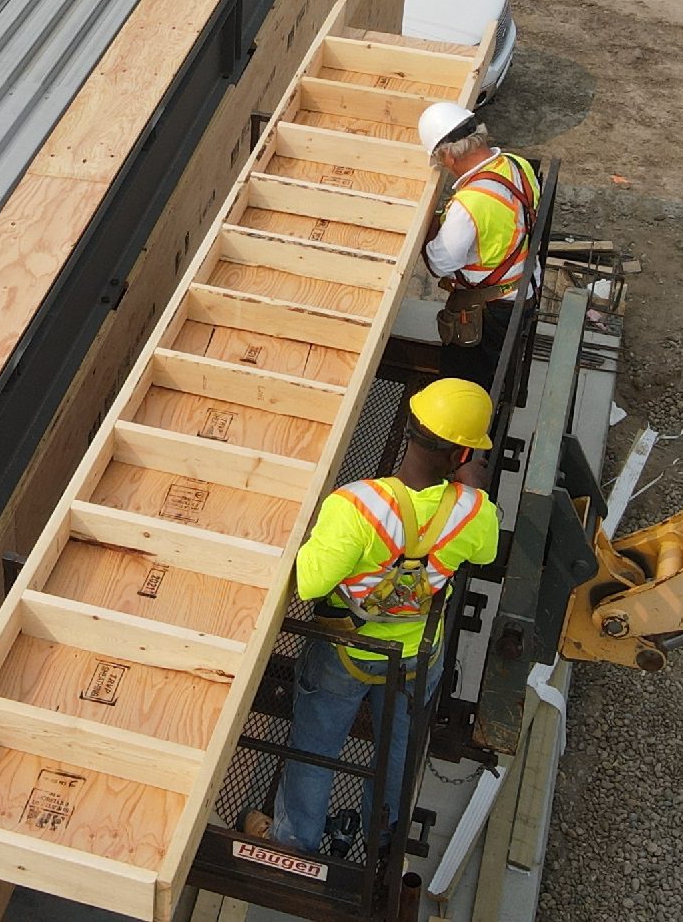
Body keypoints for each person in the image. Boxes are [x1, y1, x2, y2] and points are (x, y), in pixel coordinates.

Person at [244, 379, 500, 856]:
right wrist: (472, 493)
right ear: (463, 456)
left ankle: (293, 840)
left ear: (409, 426)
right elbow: (485, 556)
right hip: (416, 659)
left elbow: (310, 584)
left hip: (345, 653)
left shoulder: (355, 505)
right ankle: (383, 835)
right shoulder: (476, 512)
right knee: (398, 750)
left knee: (314, 748)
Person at [416, 102, 540, 394]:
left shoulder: (470, 203)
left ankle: (465, 428)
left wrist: (427, 222)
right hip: (524, 288)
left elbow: (438, 264)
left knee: (463, 384)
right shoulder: (515, 163)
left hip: (493, 313)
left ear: (447, 154)